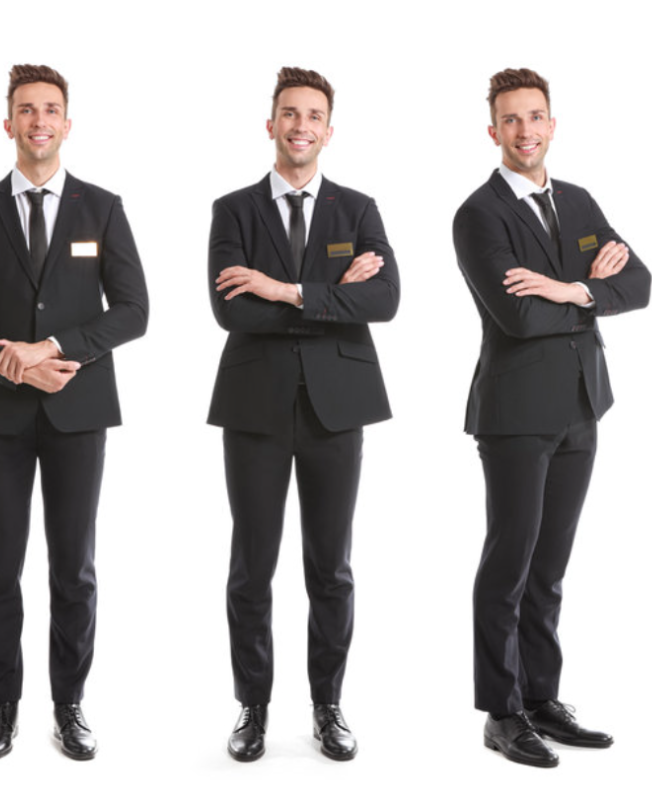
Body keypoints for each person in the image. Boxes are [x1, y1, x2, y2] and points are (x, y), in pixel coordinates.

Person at [0, 63, 148, 761]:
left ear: (67, 123)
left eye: (50, 109)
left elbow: (134, 310)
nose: (39, 120)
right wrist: (11, 360)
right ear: (9, 123)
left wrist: (54, 349)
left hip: (77, 410)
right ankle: (2, 703)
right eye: (26, 109)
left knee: (74, 567)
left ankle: (69, 703)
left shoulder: (102, 208)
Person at [453, 67, 650, 768]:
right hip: (515, 412)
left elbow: (640, 283)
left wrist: (569, 287)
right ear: (493, 131)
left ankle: (540, 697)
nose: (525, 130)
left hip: (581, 405)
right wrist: (592, 285)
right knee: (509, 563)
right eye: (511, 119)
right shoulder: (479, 215)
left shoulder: (579, 200)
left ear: (552, 123)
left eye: (535, 116)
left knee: (551, 567)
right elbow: (517, 315)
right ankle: (501, 712)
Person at [208, 66, 398, 762]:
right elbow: (230, 308)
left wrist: (283, 289)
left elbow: (384, 301)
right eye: (290, 113)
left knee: (331, 567)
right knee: (251, 565)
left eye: (313, 115)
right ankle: (253, 706)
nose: (300, 126)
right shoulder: (233, 210)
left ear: (329, 130)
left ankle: (328, 704)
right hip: (254, 407)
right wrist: (328, 295)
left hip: (336, 407)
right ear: (271, 124)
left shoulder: (359, 210)